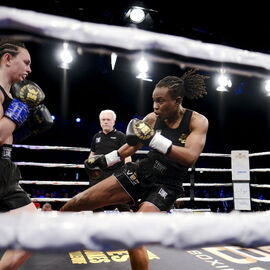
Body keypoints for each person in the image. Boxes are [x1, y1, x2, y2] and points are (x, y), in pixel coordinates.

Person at [61, 69, 209, 270]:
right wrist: (105, 160)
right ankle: (36, 237)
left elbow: (190, 157)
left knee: (134, 233)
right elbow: (132, 146)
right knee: (79, 201)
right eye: (153, 100)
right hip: (141, 172)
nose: (155, 106)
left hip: (167, 184)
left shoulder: (196, 121)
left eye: (161, 101)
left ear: (177, 100)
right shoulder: (152, 118)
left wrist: (154, 140)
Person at [0, 39, 52, 270]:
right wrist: (20, 108)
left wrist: (30, 127)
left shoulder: (7, 95)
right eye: (26, 62)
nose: (29, 69)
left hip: (5, 164)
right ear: (7, 59)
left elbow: (8, 137)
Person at [86, 109, 132, 212]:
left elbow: (127, 154)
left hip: (115, 175)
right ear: (100, 122)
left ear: (113, 122)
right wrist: (89, 166)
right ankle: (99, 224)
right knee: (95, 202)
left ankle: (129, 223)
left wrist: (127, 169)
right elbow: (92, 153)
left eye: (108, 119)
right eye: (103, 120)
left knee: (121, 202)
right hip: (98, 175)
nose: (105, 122)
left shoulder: (120, 136)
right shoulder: (96, 137)